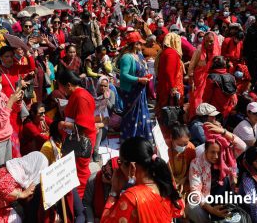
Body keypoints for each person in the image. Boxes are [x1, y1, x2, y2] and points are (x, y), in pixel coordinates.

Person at [101, 137, 183, 223]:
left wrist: (114, 192)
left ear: (132, 167)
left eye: (120, 162)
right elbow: (178, 211)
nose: (119, 168)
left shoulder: (131, 198)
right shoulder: (164, 184)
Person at [58, 69, 97, 198]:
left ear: (68, 85)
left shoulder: (81, 97)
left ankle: (81, 201)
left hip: (81, 142)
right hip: (76, 140)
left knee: (80, 172)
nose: (62, 90)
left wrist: (63, 125)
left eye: (62, 87)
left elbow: (81, 126)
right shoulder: (78, 94)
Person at [187, 130, 239, 222]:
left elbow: (242, 146)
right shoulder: (196, 163)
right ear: (206, 151)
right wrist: (211, 210)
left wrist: (223, 132)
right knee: (191, 207)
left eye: (219, 152)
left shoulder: (226, 159)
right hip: (206, 201)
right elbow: (195, 191)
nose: (216, 156)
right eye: (212, 152)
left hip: (224, 199)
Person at [117, 32, 152, 142]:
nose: (141, 46)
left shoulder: (139, 55)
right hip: (131, 91)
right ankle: (130, 138)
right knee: (132, 115)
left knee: (141, 113)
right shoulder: (126, 58)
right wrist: (139, 79)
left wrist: (145, 77)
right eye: (139, 43)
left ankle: (141, 135)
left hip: (140, 90)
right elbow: (124, 75)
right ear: (134, 44)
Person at [187, 31, 221, 120]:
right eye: (206, 41)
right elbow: (191, 67)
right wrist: (192, 81)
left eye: (211, 41)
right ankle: (194, 120)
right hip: (198, 83)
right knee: (196, 102)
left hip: (211, 83)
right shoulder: (199, 51)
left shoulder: (217, 52)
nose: (208, 43)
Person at [83, 158, 118, 222]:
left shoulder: (123, 189)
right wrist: (90, 221)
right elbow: (86, 203)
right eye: (103, 169)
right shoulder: (93, 180)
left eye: (107, 176)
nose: (103, 175)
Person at [155, 33, 184, 112]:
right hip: (169, 86)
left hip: (164, 84)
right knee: (170, 111)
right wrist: (173, 87)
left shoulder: (165, 51)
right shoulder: (172, 53)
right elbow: (169, 71)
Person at [168, 123, 196, 196]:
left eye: (185, 144)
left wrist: (185, 178)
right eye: (180, 145)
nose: (183, 147)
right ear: (171, 138)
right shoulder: (163, 148)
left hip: (185, 181)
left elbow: (193, 168)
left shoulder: (191, 148)